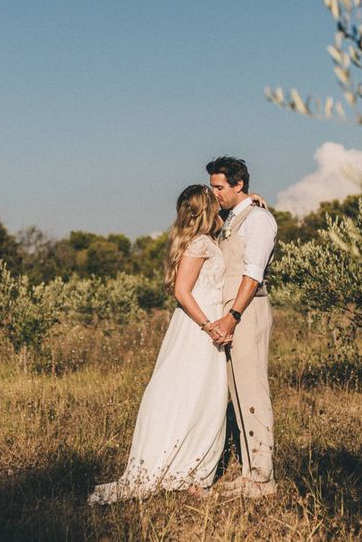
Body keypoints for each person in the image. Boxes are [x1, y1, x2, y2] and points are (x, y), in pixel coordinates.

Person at [88, 185, 234, 504]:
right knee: (193, 395)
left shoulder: (204, 240)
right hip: (199, 327)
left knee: (203, 396)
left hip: (202, 327)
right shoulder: (199, 244)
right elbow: (182, 291)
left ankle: (190, 472)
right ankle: (184, 471)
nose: (219, 203)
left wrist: (253, 200)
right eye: (214, 200)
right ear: (206, 209)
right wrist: (209, 325)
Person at [206, 156, 278, 499]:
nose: (214, 192)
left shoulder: (259, 220)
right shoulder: (232, 217)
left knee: (252, 389)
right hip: (231, 314)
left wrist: (232, 315)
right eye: (212, 186)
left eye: (219, 186)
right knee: (237, 393)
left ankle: (263, 478)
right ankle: (250, 472)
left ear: (238, 185)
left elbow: (253, 273)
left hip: (245, 312)